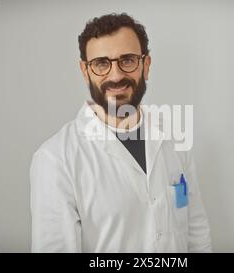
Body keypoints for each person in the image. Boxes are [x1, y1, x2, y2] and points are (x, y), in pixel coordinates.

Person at [30, 12, 212, 252]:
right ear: (85, 71)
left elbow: (196, 231)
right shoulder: (55, 159)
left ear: (145, 65)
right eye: (101, 64)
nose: (115, 76)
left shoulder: (173, 137)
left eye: (127, 60)